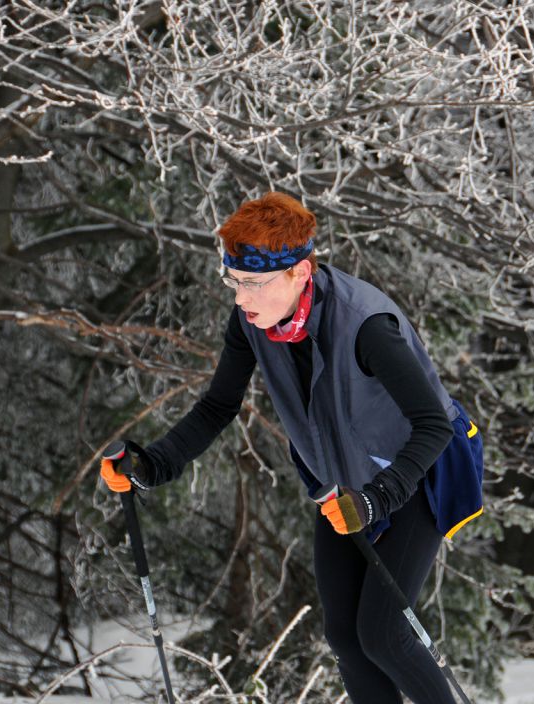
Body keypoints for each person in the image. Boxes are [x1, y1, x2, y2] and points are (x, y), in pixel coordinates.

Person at [99, 192, 484, 704]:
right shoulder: (252, 323)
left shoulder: (367, 325)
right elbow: (218, 406)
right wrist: (154, 463)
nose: (241, 298)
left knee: (384, 633)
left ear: (300, 273)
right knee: (345, 637)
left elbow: (433, 423)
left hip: (418, 471)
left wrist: (376, 498)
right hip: (343, 480)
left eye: (253, 284)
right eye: (233, 281)